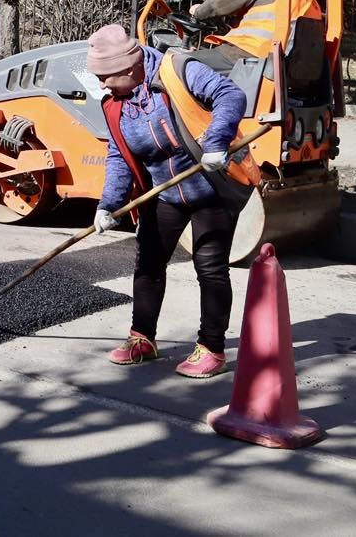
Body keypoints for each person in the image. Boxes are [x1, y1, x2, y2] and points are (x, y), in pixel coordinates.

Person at [87, 22, 246, 379]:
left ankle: (212, 347)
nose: (101, 86)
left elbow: (230, 95)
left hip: (210, 186)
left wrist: (217, 142)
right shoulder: (116, 103)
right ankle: (142, 339)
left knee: (210, 268)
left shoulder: (178, 71)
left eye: (106, 78)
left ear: (129, 69)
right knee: (148, 263)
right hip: (164, 193)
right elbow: (118, 153)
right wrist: (108, 205)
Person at [189, 0, 324, 83]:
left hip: (250, 55)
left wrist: (198, 11)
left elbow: (222, 3)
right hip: (294, 72)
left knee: (177, 62)